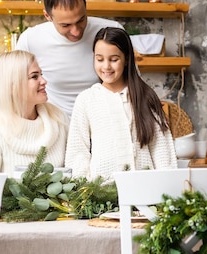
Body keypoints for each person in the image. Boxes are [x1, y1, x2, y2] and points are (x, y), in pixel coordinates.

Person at [66, 27, 177, 180]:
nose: (106, 66)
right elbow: (77, 152)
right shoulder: (86, 100)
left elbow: (161, 150)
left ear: (126, 60)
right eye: (99, 59)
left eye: (113, 59)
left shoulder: (145, 96)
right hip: (102, 192)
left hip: (146, 190)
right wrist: (83, 192)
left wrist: (166, 187)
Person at [16, 0, 122, 117]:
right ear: (47, 16)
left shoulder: (112, 30)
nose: (76, 31)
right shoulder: (30, 39)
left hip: (101, 120)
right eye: (66, 25)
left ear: (85, 7)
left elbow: (131, 85)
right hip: (53, 124)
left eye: (81, 20)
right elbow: (16, 88)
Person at [0, 50, 74, 177]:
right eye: (34, 76)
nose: (44, 81)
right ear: (11, 86)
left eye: (41, 74)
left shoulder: (59, 119)